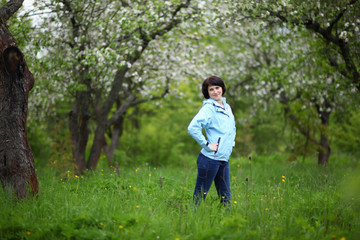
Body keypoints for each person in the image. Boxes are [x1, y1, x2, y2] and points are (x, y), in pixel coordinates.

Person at [188, 76, 236, 205]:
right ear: (207, 93)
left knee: (226, 198)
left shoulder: (227, 107)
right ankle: (192, 219)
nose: (215, 91)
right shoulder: (208, 108)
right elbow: (193, 128)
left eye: (217, 88)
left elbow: (231, 128)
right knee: (199, 197)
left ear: (222, 88)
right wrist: (207, 145)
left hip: (223, 159)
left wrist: (231, 144)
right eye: (211, 89)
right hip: (210, 159)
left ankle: (227, 222)